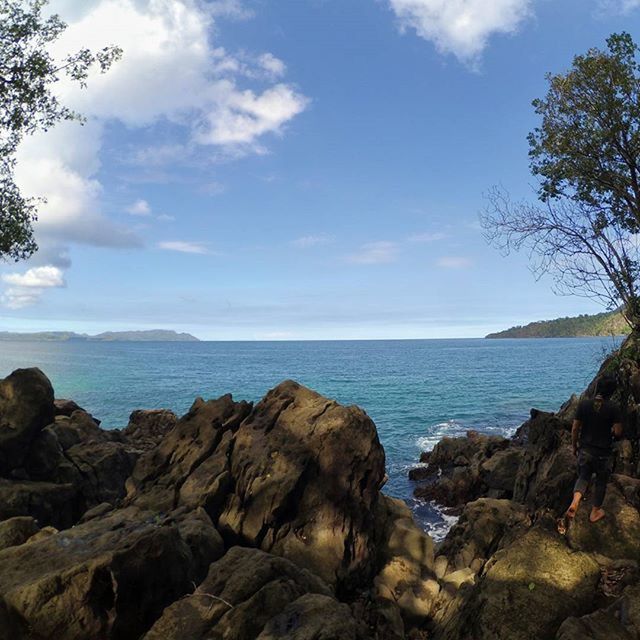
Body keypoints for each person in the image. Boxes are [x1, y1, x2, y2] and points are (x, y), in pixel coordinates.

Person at [564, 375, 623, 526]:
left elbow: (575, 428)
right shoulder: (614, 408)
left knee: (583, 477)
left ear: (597, 388)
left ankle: (575, 502)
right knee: (601, 482)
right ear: (611, 392)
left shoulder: (584, 405)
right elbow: (617, 432)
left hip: (585, 450)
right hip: (603, 453)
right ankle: (595, 511)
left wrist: (574, 446)